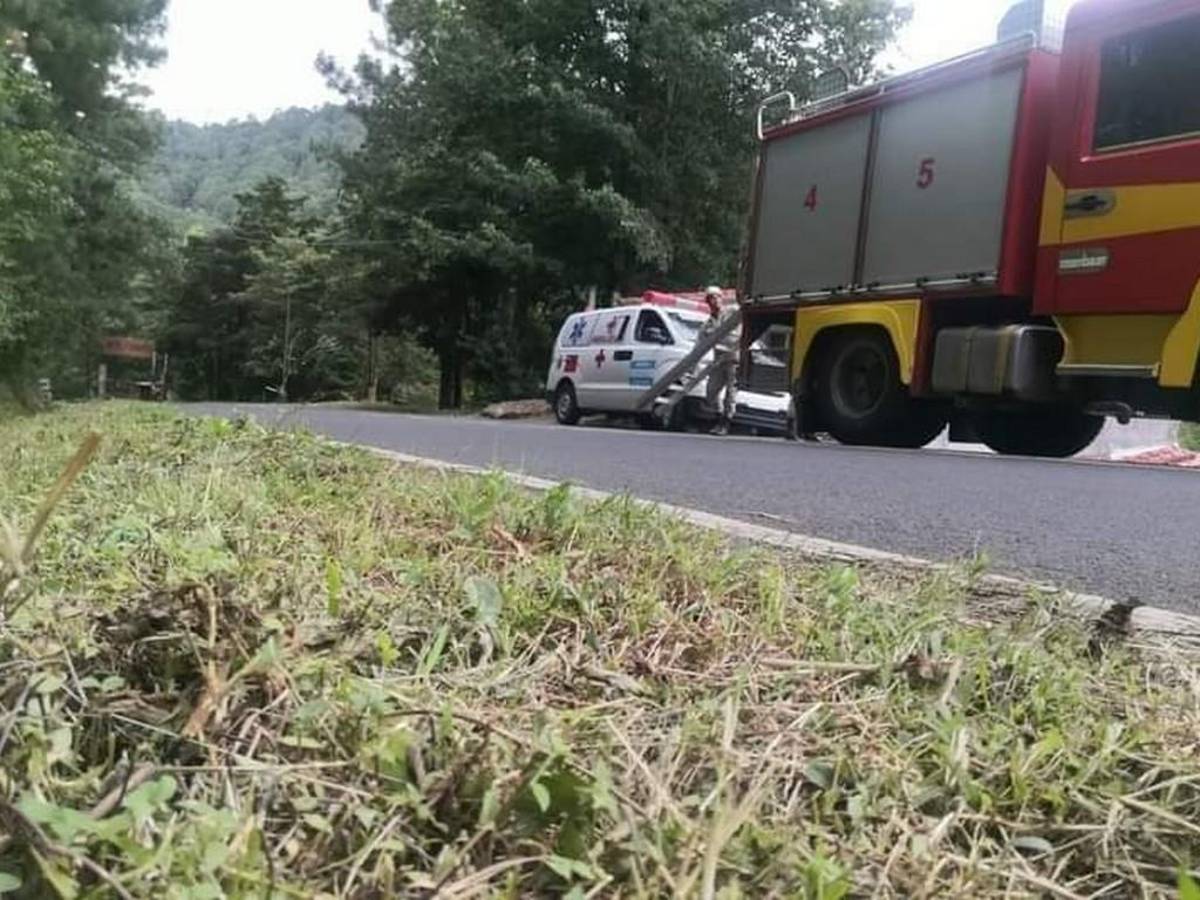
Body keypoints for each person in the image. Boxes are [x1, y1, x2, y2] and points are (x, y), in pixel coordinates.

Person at [700, 286, 740, 436]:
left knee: (731, 393)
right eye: (710, 298)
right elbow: (699, 346)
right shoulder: (707, 324)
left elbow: (743, 309)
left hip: (733, 359)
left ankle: (726, 422)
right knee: (711, 391)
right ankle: (718, 416)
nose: (714, 300)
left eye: (716, 297)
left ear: (721, 298)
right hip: (718, 361)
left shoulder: (732, 312)